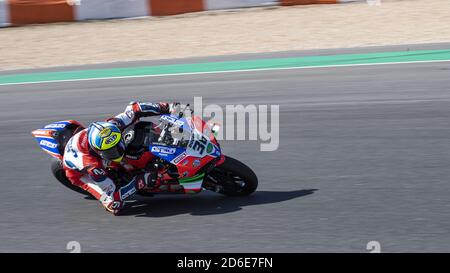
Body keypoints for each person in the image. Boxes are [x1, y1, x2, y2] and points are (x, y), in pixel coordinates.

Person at [62, 101, 177, 215]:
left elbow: (134, 108)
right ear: (99, 151)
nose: (117, 151)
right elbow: (112, 194)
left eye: (118, 145)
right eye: (111, 151)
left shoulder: (112, 126)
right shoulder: (93, 167)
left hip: (88, 144)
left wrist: (167, 108)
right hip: (80, 174)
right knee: (114, 205)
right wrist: (141, 181)